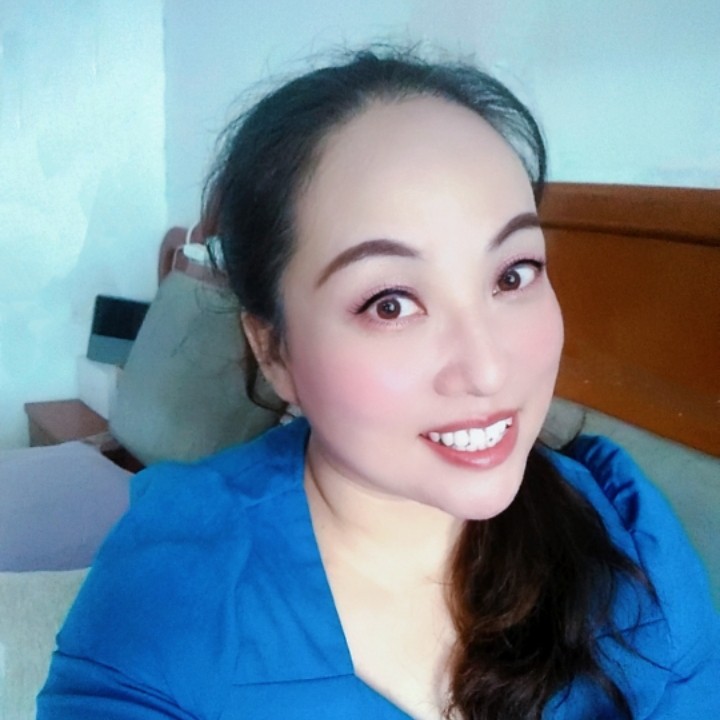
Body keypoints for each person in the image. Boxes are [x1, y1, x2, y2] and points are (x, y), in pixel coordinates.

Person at [38, 48, 719, 720]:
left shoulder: (626, 540)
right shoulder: (167, 602)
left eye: (513, 276)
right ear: (273, 349)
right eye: (390, 304)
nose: (488, 370)